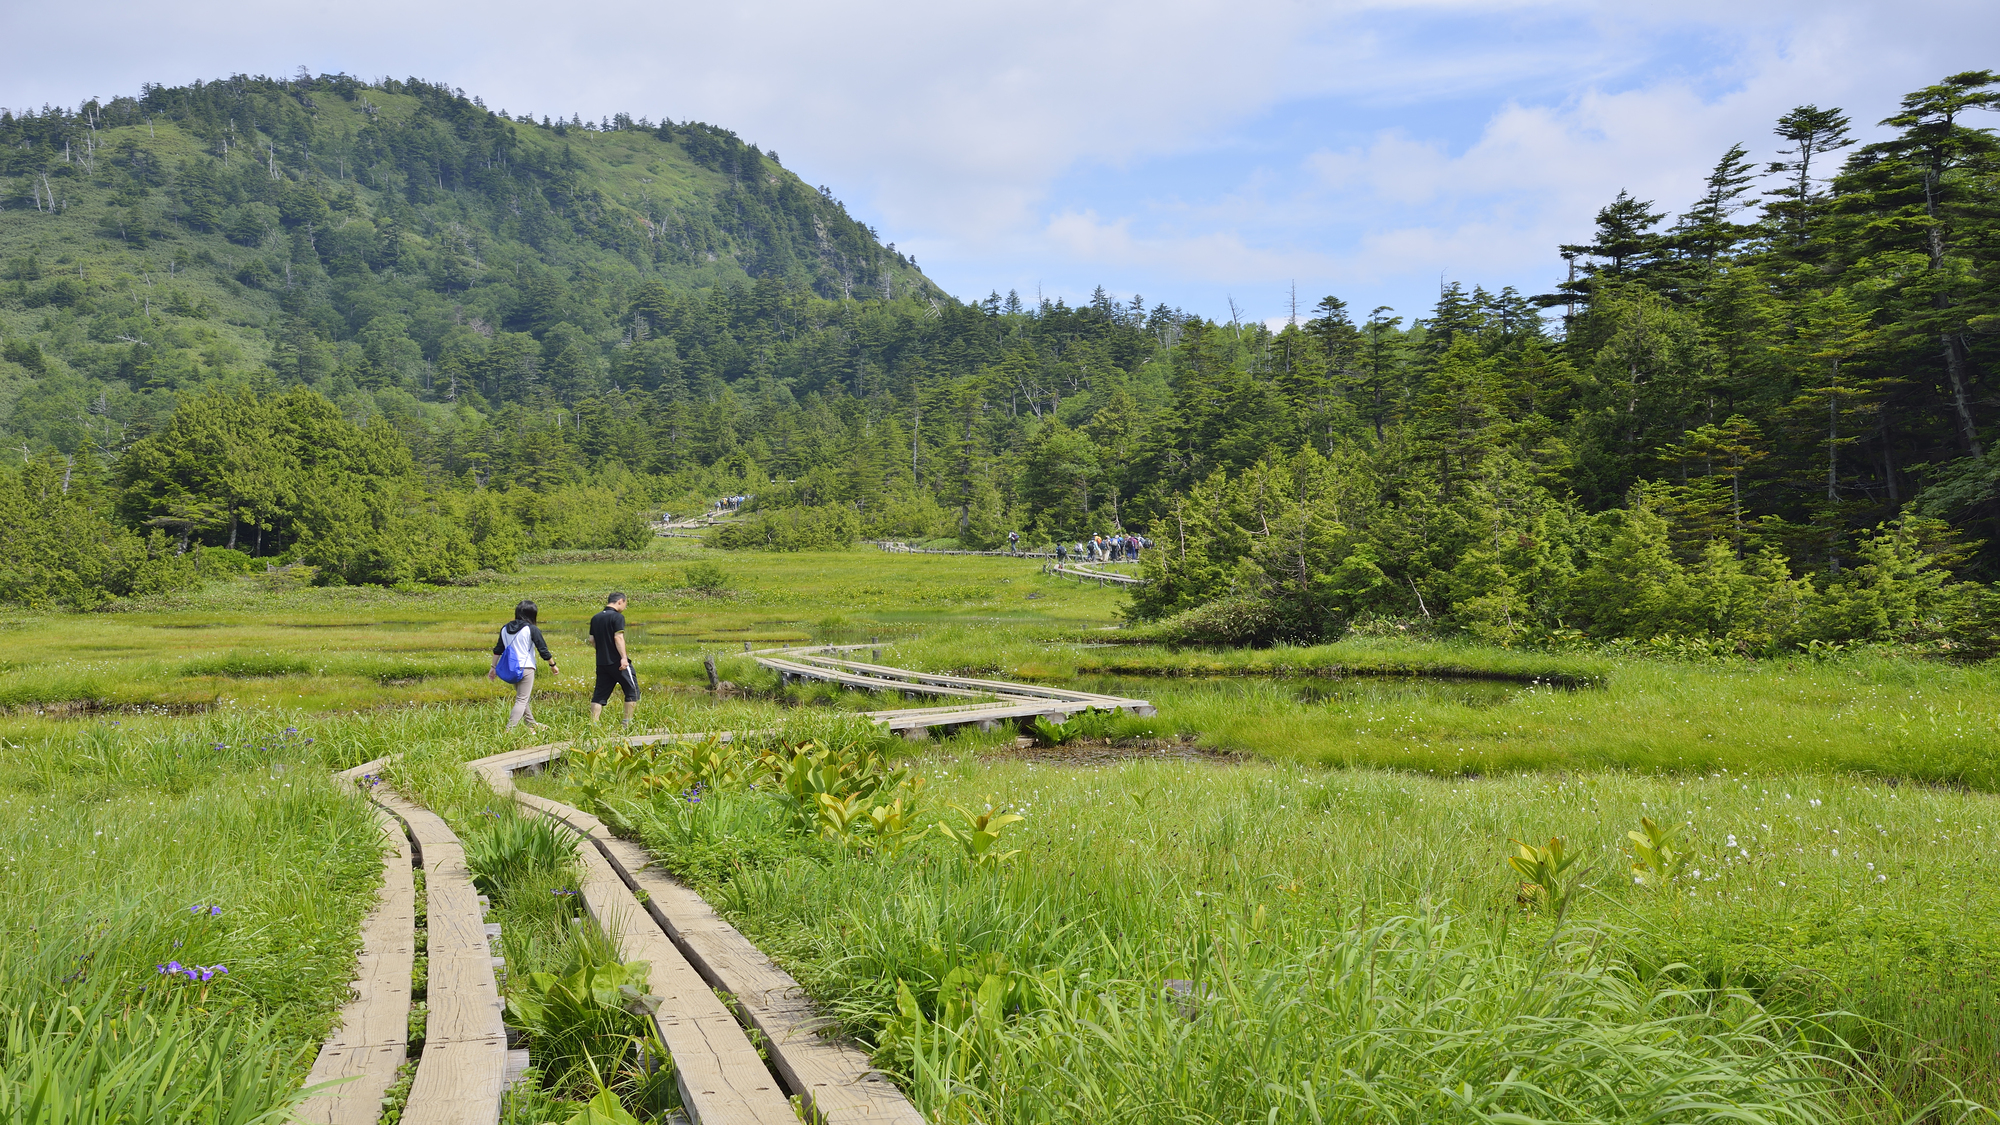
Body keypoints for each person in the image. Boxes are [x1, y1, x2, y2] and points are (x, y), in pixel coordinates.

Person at [490, 600, 558, 731]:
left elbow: (498, 649)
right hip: (526, 668)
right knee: (521, 700)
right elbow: (543, 649)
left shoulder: (505, 628)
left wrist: (493, 667)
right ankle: (509, 730)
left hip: (511, 669)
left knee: (522, 697)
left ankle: (532, 724)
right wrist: (553, 665)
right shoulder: (531, 629)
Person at [589, 591, 640, 728]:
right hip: (618, 662)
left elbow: (591, 639)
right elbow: (618, 637)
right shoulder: (617, 617)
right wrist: (623, 658)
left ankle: (594, 724)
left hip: (602, 662)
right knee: (632, 690)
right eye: (625, 604)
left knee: (599, 695)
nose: (624, 607)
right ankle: (627, 724)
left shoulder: (596, 617)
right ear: (620, 601)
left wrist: (602, 651)